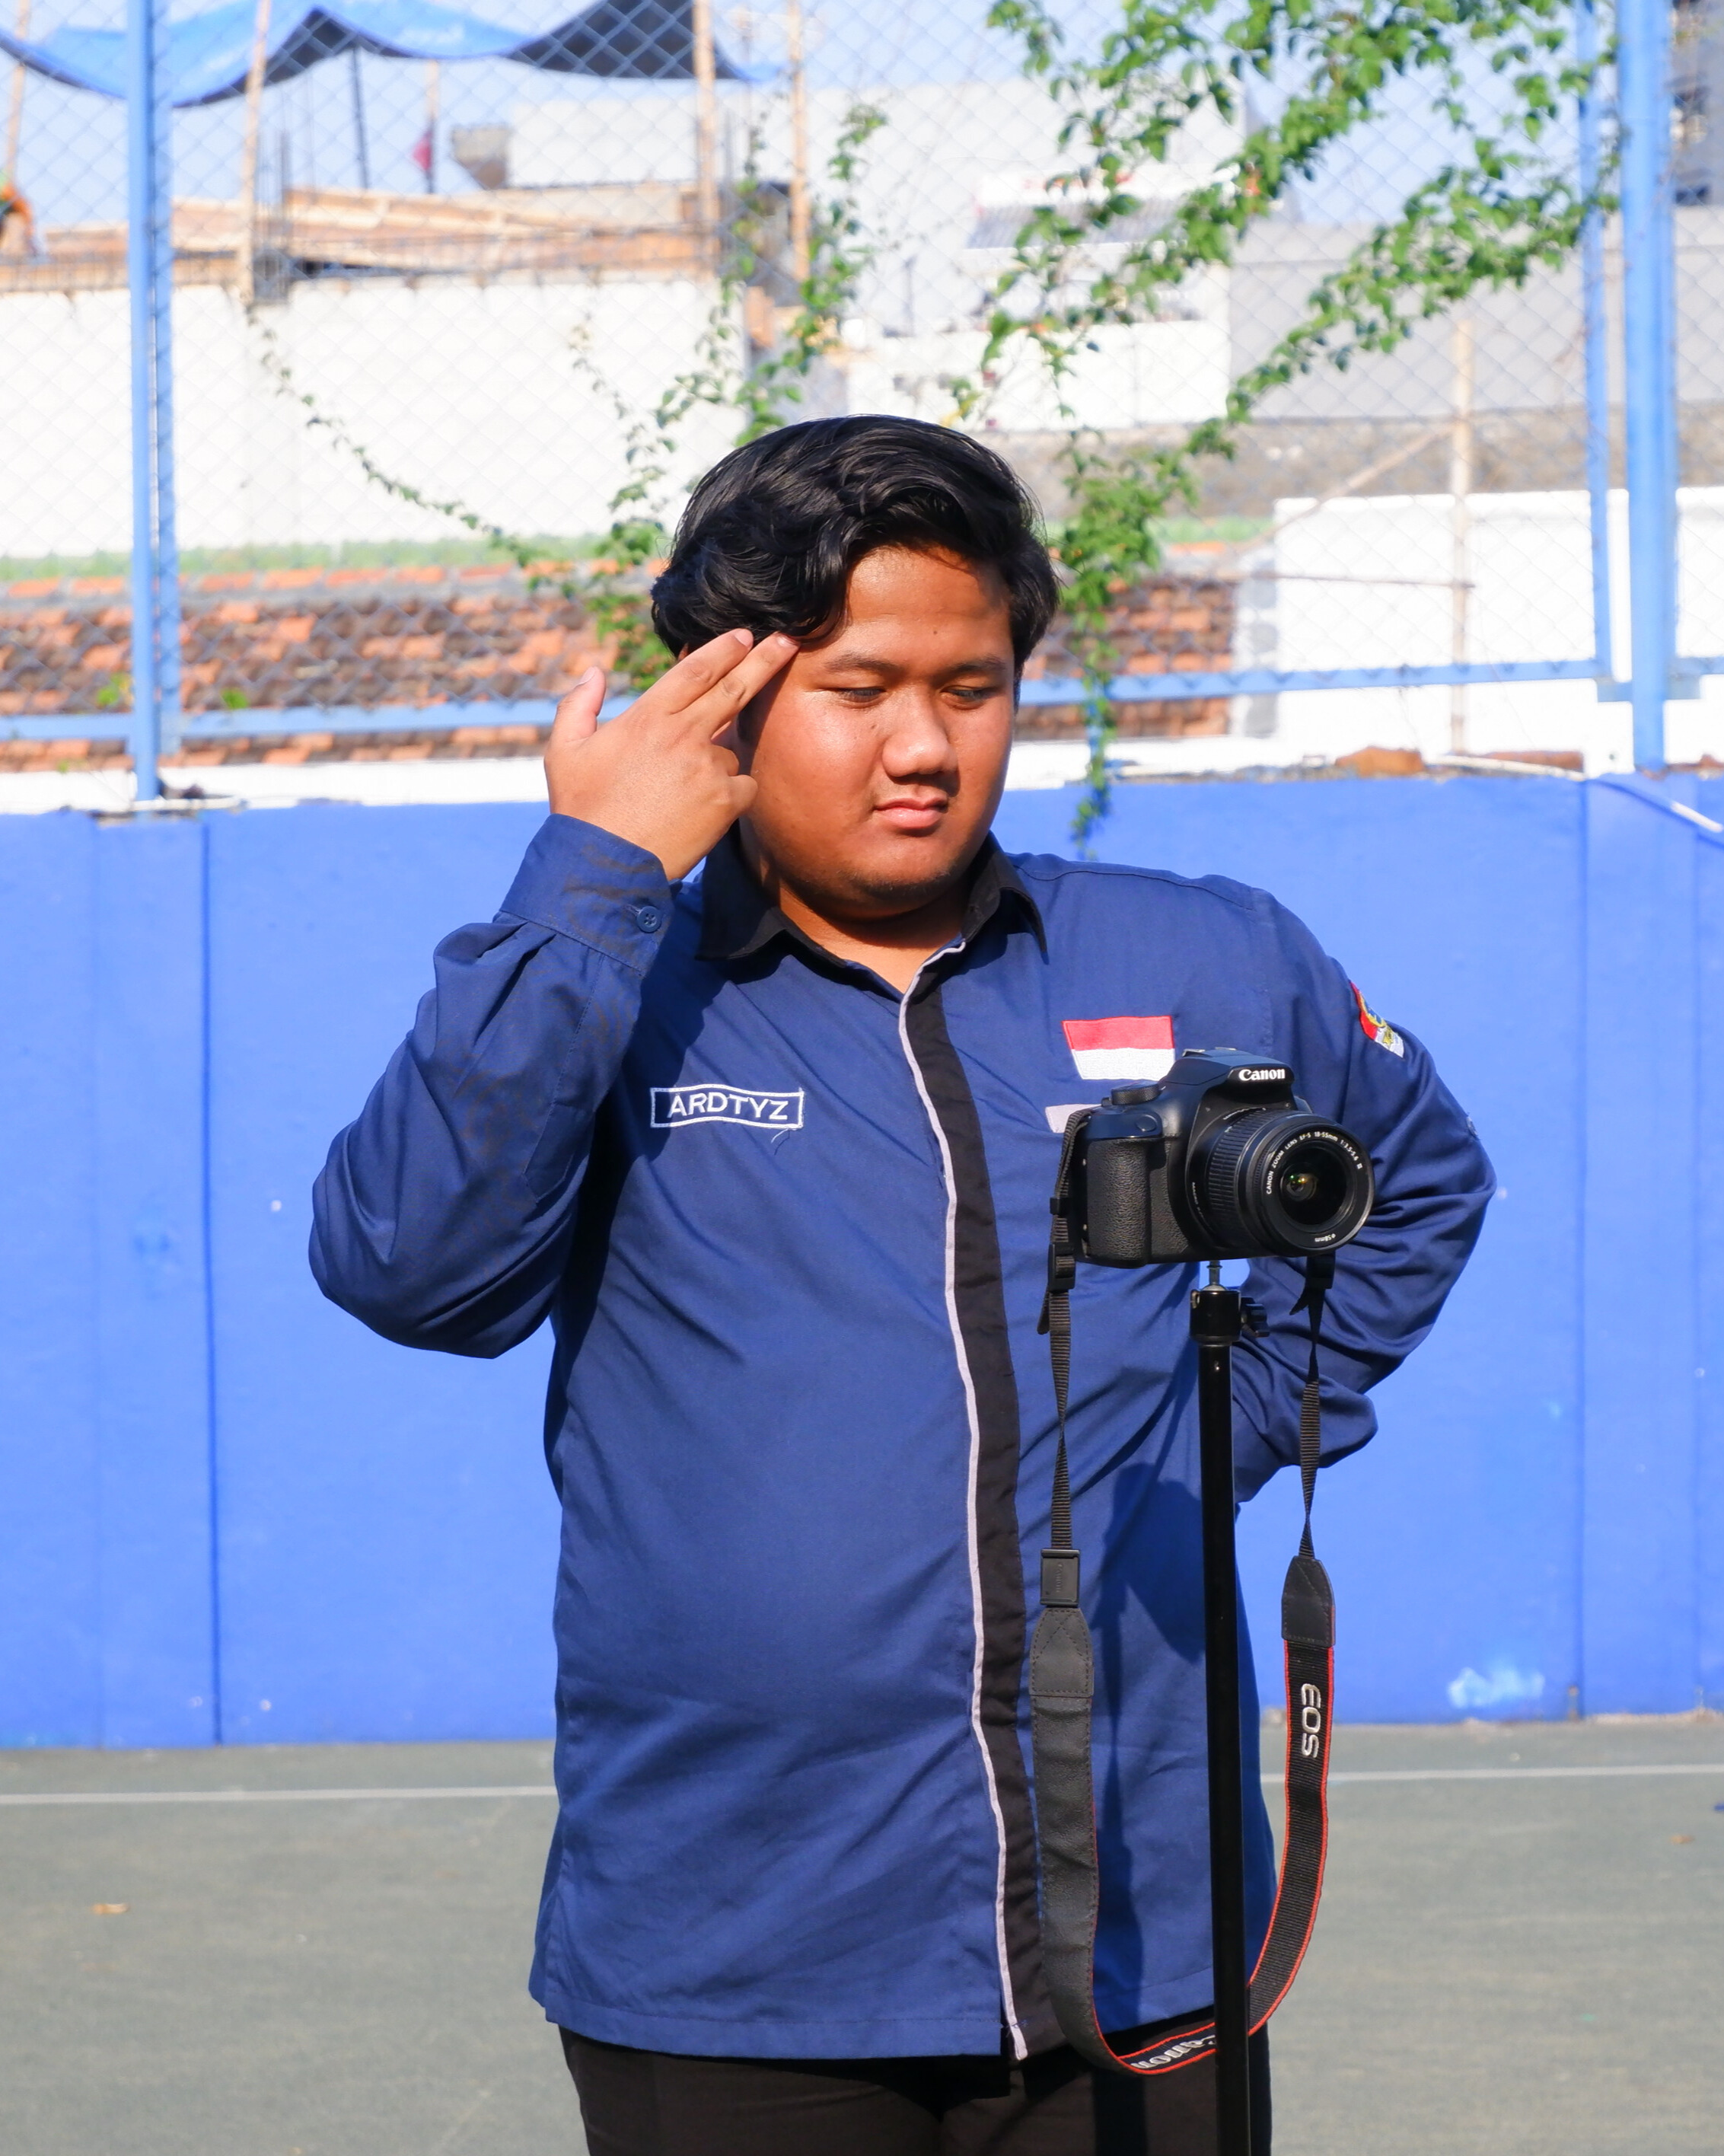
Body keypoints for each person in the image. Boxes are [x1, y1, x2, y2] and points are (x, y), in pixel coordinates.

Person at [311, 416, 1493, 2154]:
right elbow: (412, 1272)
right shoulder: (611, 978)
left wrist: (1223, 1426)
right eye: (857, 689)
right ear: (728, 694)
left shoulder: (1204, 951)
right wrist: (594, 877)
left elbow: (1416, 1181)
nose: (925, 746)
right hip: (738, 1951)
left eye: (973, 686)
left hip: (1141, 1934)